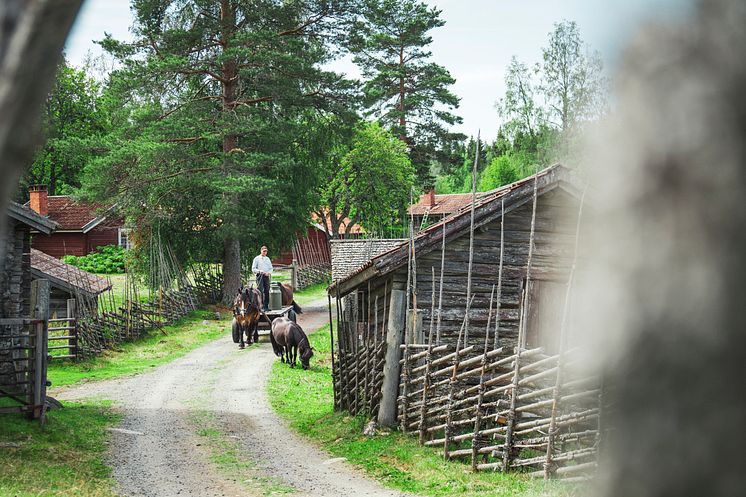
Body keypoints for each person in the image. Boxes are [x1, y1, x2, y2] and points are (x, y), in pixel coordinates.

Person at [252, 245, 273, 311]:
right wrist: (259, 271)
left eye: (266, 251)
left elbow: (271, 268)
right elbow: (253, 269)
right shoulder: (257, 258)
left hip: (266, 276)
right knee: (260, 290)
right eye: (264, 251)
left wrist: (268, 273)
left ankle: (266, 306)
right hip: (259, 276)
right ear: (261, 251)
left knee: (267, 290)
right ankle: (260, 306)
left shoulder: (267, 259)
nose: (265, 252)